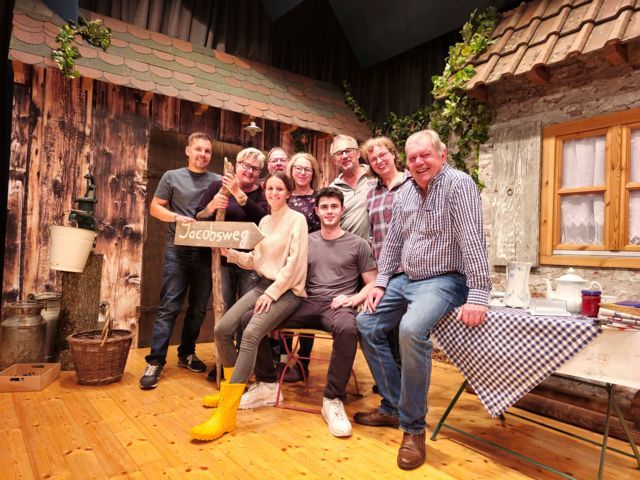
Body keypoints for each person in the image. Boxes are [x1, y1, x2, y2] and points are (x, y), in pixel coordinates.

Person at [355, 130, 492, 470]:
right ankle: (393, 405)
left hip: (445, 279)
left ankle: (413, 428)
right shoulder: (405, 193)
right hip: (406, 278)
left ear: (442, 155)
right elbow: (393, 243)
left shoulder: (458, 185)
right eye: (413, 157)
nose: (418, 162)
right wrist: (381, 283)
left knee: (411, 330)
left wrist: (479, 292)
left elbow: (473, 239)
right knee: (366, 322)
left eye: (425, 155)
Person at [238, 187, 377, 438]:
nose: (329, 211)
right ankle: (268, 384)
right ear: (317, 211)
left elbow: (373, 283)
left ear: (342, 210)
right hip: (305, 301)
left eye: (334, 207)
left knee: (348, 328)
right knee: (250, 319)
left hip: (338, 305)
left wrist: (353, 298)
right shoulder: (307, 240)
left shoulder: (358, 244)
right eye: (324, 207)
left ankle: (333, 399)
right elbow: (285, 270)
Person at [191, 172, 308, 442]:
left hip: (288, 291)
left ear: (289, 193)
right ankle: (231, 392)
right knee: (222, 330)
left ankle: (227, 414)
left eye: (280, 189)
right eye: (270, 189)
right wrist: (231, 255)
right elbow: (257, 260)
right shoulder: (265, 221)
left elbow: (295, 265)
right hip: (263, 284)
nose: (274, 193)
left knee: (251, 332)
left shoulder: (297, 220)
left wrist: (273, 293)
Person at [139, 132, 220, 390]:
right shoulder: (171, 177)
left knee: (198, 309)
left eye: (207, 151)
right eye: (198, 149)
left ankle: (186, 354)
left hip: (206, 252)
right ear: (188, 151)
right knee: (169, 307)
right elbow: (155, 207)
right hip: (178, 250)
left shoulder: (218, 181)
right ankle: (155, 361)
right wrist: (175, 217)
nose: (203, 154)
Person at [195, 148, 268, 381]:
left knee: (246, 315)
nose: (250, 171)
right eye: (245, 165)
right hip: (223, 261)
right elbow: (199, 217)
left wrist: (239, 194)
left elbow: (263, 219)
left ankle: (244, 366)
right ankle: (225, 363)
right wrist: (211, 207)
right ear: (236, 165)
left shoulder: (262, 194)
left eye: (255, 168)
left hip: (250, 263)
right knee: (225, 311)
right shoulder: (217, 187)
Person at [362, 137, 411, 369]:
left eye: (383, 155)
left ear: (393, 154)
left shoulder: (412, 183)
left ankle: (403, 379)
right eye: (373, 159)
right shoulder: (372, 193)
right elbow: (372, 231)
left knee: (405, 329)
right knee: (384, 328)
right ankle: (391, 379)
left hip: (410, 268)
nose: (379, 161)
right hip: (384, 270)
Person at [279, 152, 321, 382]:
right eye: (298, 168)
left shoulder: (318, 198)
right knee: (285, 310)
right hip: (285, 262)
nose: (303, 173)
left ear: (313, 173)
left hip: (312, 263)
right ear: (291, 171)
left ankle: (304, 364)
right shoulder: (284, 197)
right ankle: (284, 361)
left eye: (307, 169)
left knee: (307, 313)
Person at [329, 134, 375, 240]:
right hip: (347, 247)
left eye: (348, 151)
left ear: (358, 153)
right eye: (339, 153)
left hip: (379, 246)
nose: (345, 156)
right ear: (334, 160)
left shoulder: (375, 174)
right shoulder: (333, 190)